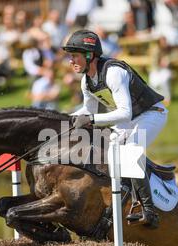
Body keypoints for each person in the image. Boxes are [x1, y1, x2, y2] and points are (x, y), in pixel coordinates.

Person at [62, 30, 168, 229]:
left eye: (74, 55)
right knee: (108, 155)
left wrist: (91, 119)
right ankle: (123, 201)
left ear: (89, 55)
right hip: (130, 119)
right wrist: (65, 117)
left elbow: (124, 113)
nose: (70, 61)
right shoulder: (87, 80)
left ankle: (149, 211)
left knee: (129, 152)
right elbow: (88, 110)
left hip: (151, 114)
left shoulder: (113, 72)